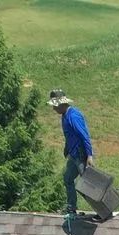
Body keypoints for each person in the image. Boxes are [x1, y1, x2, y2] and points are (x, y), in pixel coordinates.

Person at [49, 90, 94, 219]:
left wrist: (89, 156)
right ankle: (71, 207)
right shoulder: (64, 116)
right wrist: (66, 148)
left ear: (61, 104)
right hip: (73, 155)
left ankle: (103, 208)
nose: (53, 108)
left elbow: (84, 135)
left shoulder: (73, 116)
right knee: (68, 178)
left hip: (81, 155)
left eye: (54, 105)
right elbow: (69, 136)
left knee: (89, 184)